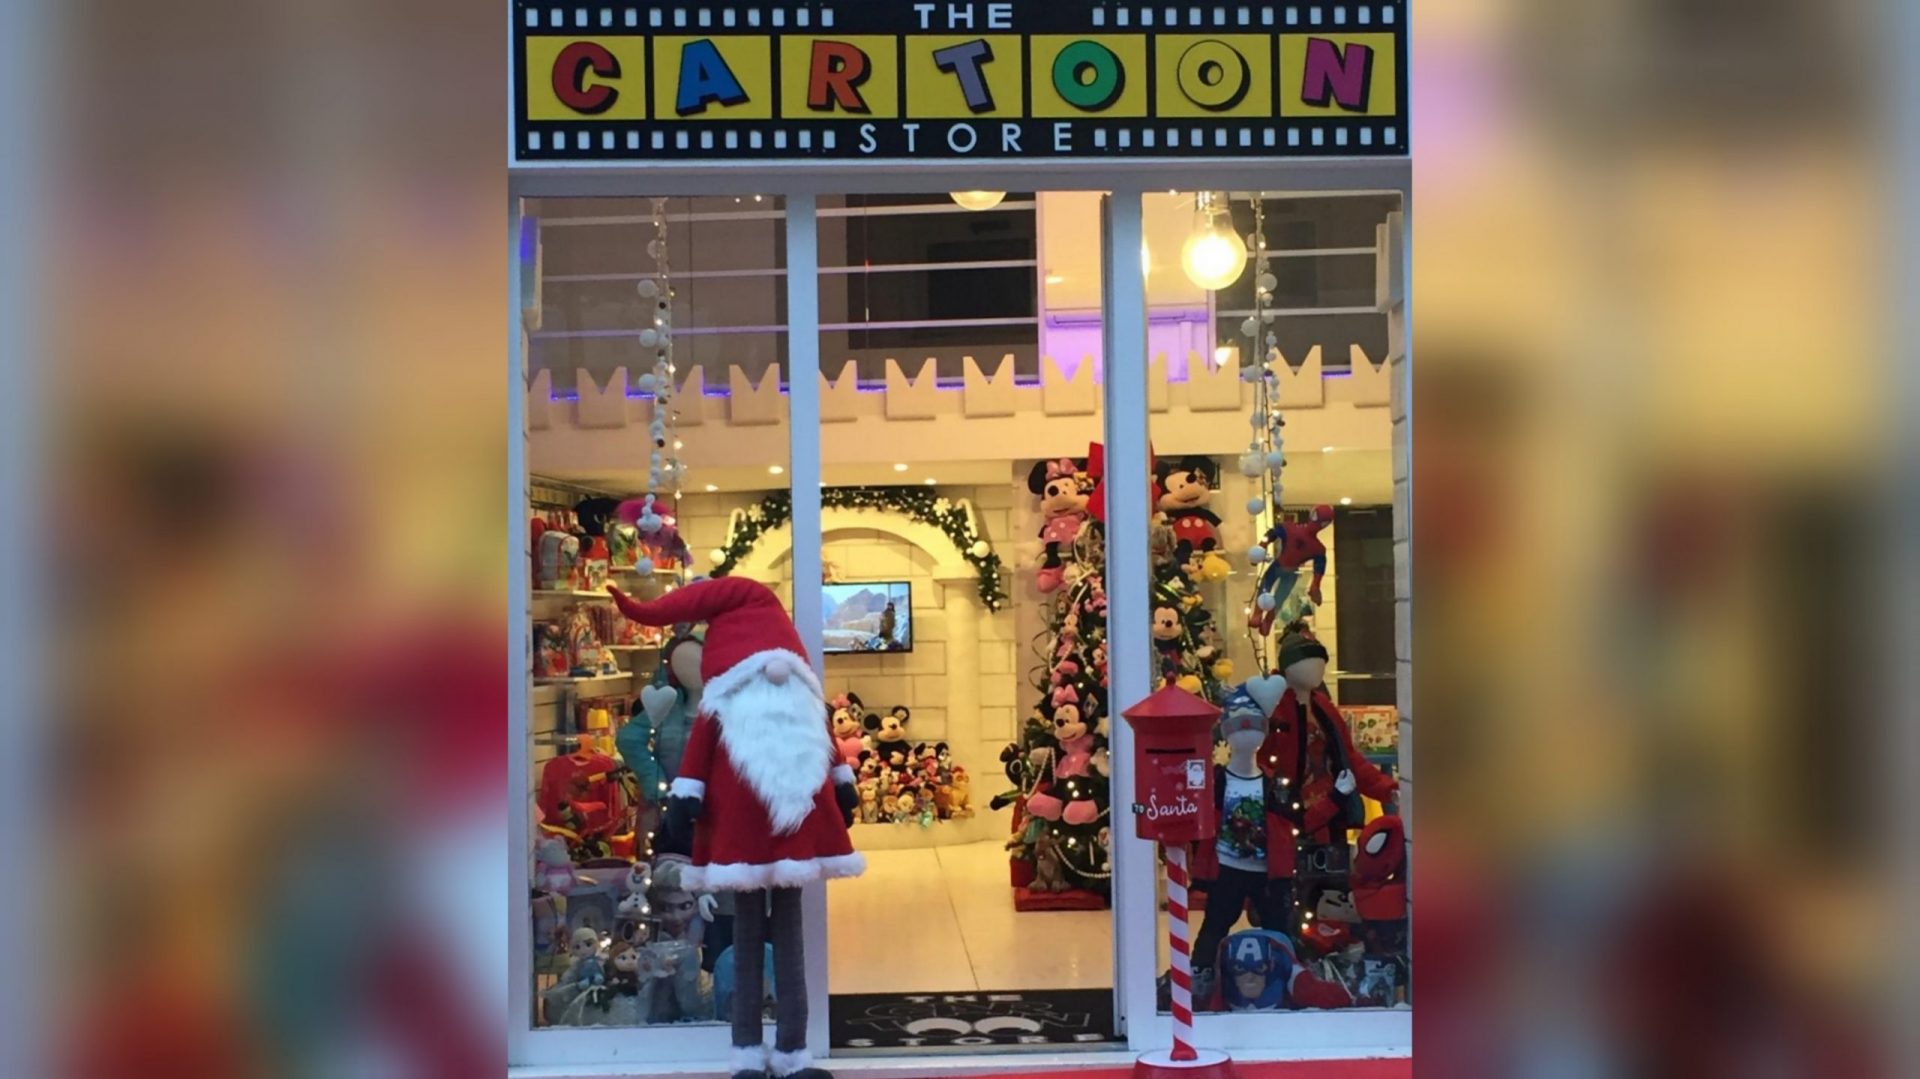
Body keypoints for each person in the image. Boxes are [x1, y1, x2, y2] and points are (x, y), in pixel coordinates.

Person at [609, 577, 864, 1079]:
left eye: (782, 662)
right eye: (763, 661)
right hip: (741, 839)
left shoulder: (804, 706)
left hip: (790, 836)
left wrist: (842, 785)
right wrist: (684, 800)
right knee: (745, 938)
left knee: (789, 939)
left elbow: (830, 750)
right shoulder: (723, 708)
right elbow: (695, 763)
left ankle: (792, 1052)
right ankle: (747, 1050)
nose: (775, 670)